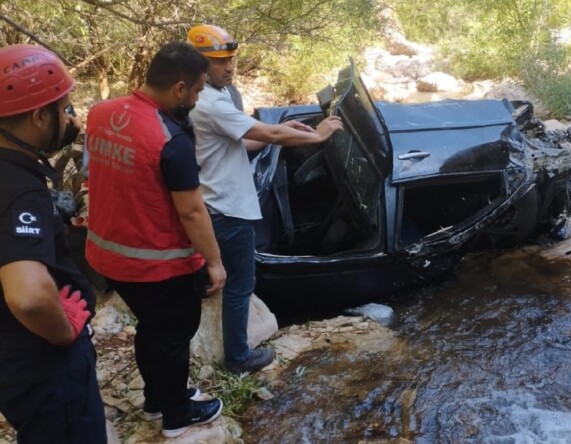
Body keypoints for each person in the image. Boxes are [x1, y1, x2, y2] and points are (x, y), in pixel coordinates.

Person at [84, 41, 227, 439]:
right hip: (158, 264)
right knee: (173, 335)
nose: (198, 98)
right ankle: (177, 415)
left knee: (151, 328)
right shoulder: (170, 140)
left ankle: (156, 399)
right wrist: (214, 262)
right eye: (198, 90)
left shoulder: (101, 113)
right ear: (179, 88)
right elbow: (192, 211)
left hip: (107, 255)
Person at [187, 24, 344, 374]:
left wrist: (287, 135)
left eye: (231, 59)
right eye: (218, 61)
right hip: (226, 207)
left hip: (216, 201)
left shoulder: (211, 96)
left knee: (227, 278)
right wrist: (316, 136)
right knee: (240, 285)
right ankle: (238, 358)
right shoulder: (210, 103)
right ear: (197, 65)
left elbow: (242, 140)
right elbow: (267, 130)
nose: (228, 67)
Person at [0, 44, 107, 443]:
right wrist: (63, 332)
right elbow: (28, 296)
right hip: (42, 360)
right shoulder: (19, 191)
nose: (69, 119)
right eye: (63, 110)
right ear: (38, 115)